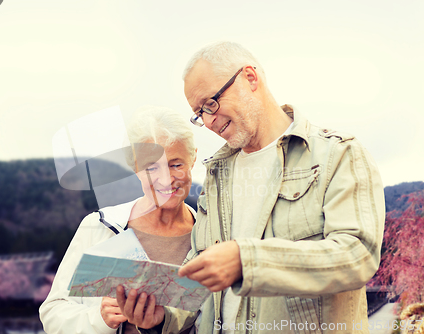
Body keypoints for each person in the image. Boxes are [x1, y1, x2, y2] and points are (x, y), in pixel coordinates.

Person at [117, 42, 385, 334]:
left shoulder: (337, 154)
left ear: (250, 78)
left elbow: (357, 256)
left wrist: (248, 261)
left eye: (210, 104)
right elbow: (199, 281)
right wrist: (160, 318)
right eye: (199, 114)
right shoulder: (216, 175)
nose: (208, 121)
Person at [39, 106, 197, 334]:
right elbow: (53, 312)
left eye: (176, 164)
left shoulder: (209, 235)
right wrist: (100, 319)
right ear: (135, 169)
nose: (165, 179)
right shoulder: (99, 227)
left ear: (193, 159)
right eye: (151, 167)